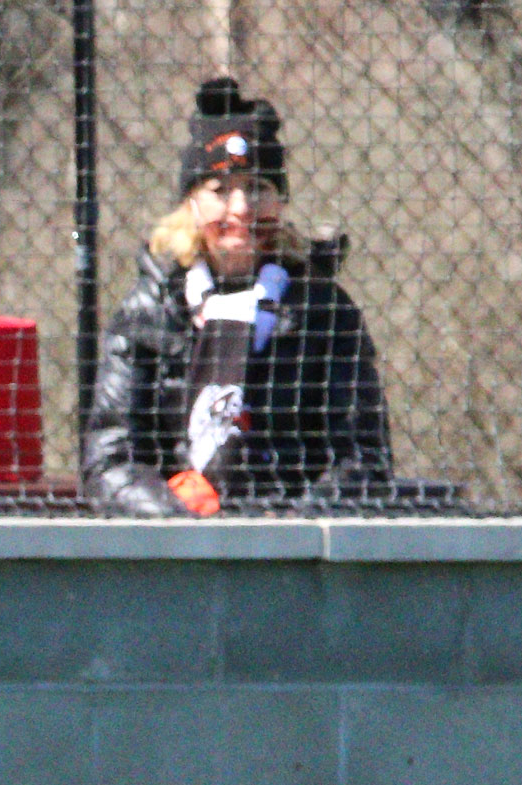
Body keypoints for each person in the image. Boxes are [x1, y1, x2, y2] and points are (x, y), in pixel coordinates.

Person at [83, 77, 391, 517]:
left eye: (259, 188)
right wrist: (177, 514)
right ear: (190, 202)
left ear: (280, 202)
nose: (242, 209)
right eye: (220, 190)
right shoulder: (149, 310)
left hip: (291, 542)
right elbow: (109, 460)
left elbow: (365, 458)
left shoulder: (324, 310)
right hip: (175, 543)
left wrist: (291, 524)